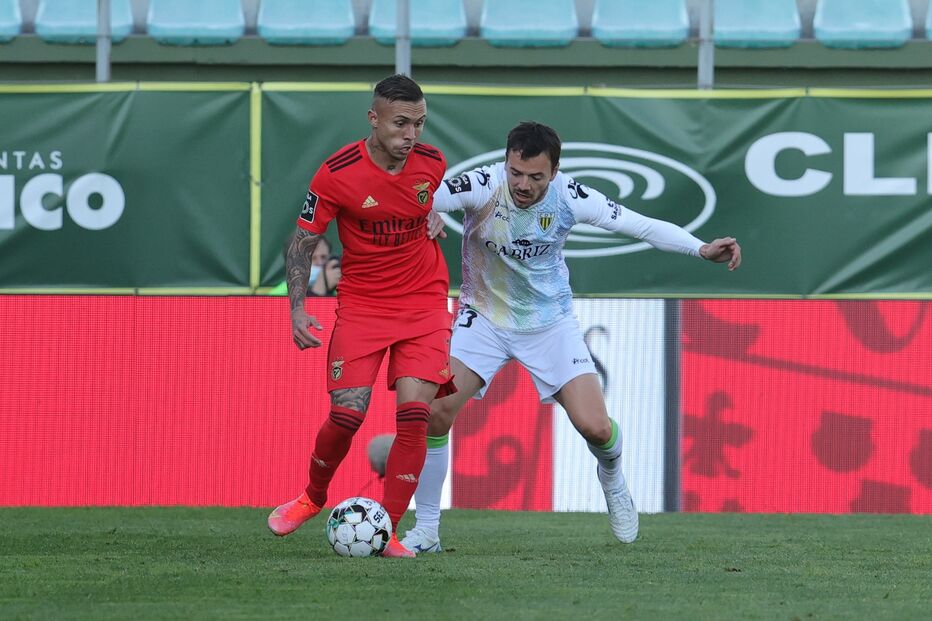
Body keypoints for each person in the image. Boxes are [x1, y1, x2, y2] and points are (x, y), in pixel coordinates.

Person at [401, 121, 742, 554]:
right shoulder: (484, 184)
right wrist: (427, 208)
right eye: (516, 173)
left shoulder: (572, 197)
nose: (523, 185)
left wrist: (699, 248)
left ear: (555, 171)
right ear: (506, 163)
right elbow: (421, 195)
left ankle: (613, 478)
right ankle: (427, 529)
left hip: (550, 324)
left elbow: (640, 226)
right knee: (435, 410)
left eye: (536, 177)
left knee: (596, 428)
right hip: (482, 317)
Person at [267, 74, 455, 559]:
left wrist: (436, 215)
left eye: (419, 123)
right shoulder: (336, 172)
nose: (411, 134)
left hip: (424, 302)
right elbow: (303, 242)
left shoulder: (432, 163)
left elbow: (438, 203)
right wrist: (297, 308)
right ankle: (312, 496)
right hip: (364, 306)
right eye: (400, 123)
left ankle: (385, 531)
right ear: (373, 120)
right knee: (346, 415)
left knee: (416, 415)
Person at [269, 234, 333, 296]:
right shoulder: (275, 296)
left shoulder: (339, 292)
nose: (320, 263)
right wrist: (317, 293)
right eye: (312, 258)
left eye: (324, 257)